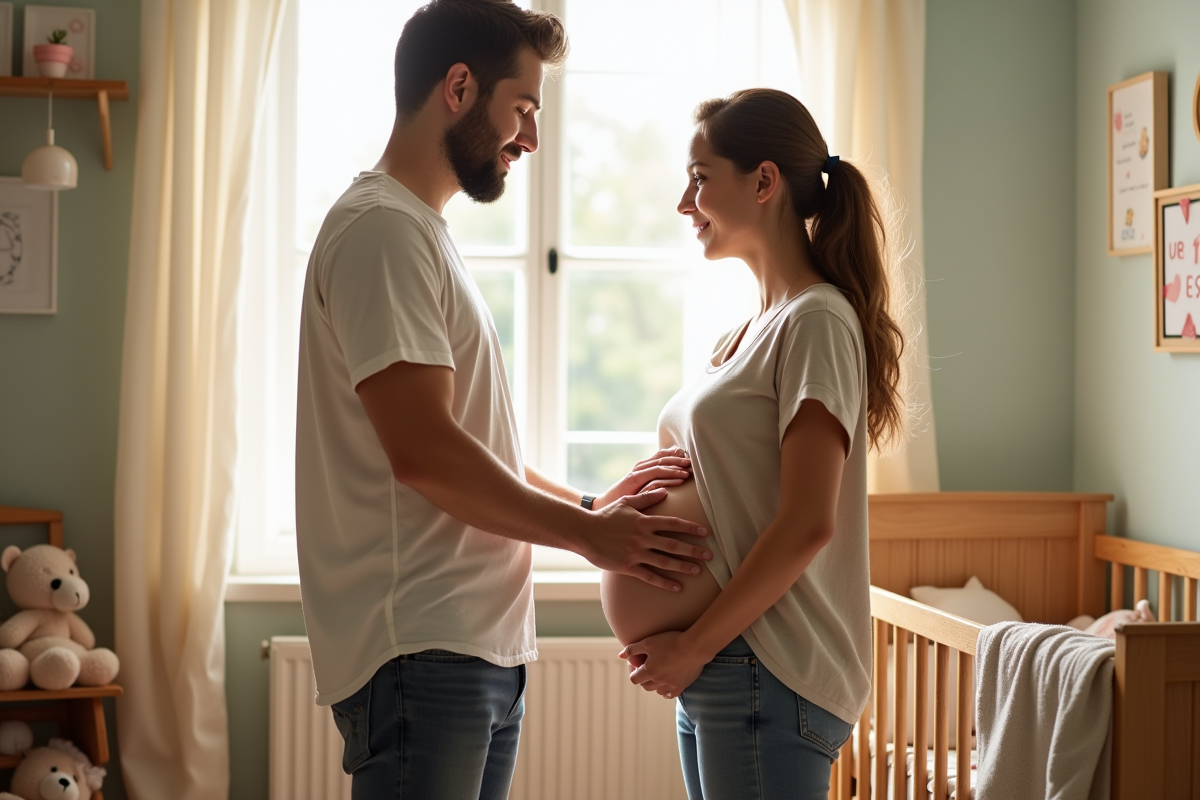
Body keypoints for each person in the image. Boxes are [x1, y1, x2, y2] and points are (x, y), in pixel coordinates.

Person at [293, 2, 711, 798]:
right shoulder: (382, 232)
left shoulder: (418, 232)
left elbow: (465, 443)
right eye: (522, 109)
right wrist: (591, 537)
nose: (532, 138)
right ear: (458, 87)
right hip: (424, 648)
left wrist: (594, 502)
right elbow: (424, 454)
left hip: (469, 649)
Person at [600, 88, 907, 799]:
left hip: (763, 666)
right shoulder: (746, 332)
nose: (685, 202)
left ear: (763, 181)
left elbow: (807, 521)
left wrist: (695, 645)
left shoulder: (817, 321)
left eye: (701, 177)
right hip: (725, 667)